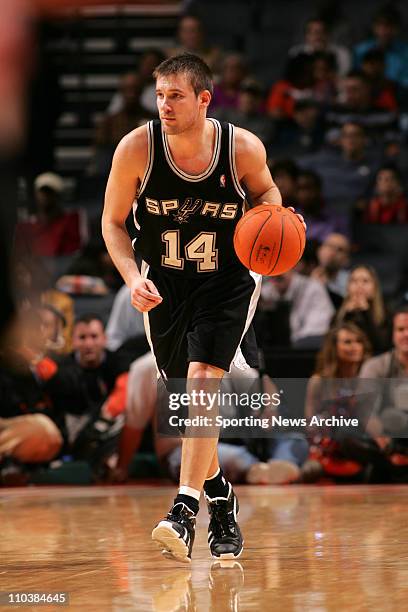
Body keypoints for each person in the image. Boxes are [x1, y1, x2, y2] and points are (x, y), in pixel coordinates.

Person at [102, 52, 305, 564]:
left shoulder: (240, 148)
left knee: (202, 378)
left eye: (176, 95)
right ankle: (222, 499)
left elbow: (268, 195)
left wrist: (276, 217)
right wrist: (132, 279)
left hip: (229, 279)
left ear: (204, 99)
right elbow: (112, 223)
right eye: (160, 95)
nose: (164, 105)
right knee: (186, 403)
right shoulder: (136, 149)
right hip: (165, 281)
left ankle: (184, 509)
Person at [335, 265, 390, 354]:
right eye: (354, 281)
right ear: (348, 287)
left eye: (365, 281)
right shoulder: (339, 311)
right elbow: (332, 343)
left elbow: (382, 345)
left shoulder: (386, 312)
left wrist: (366, 312)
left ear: (374, 287)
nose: (359, 286)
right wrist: (347, 314)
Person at [311, 232, 351, 308]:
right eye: (329, 246)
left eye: (340, 249)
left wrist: (325, 288)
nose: (333, 252)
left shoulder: (350, 282)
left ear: (346, 259)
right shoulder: (303, 275)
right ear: (319, 250)